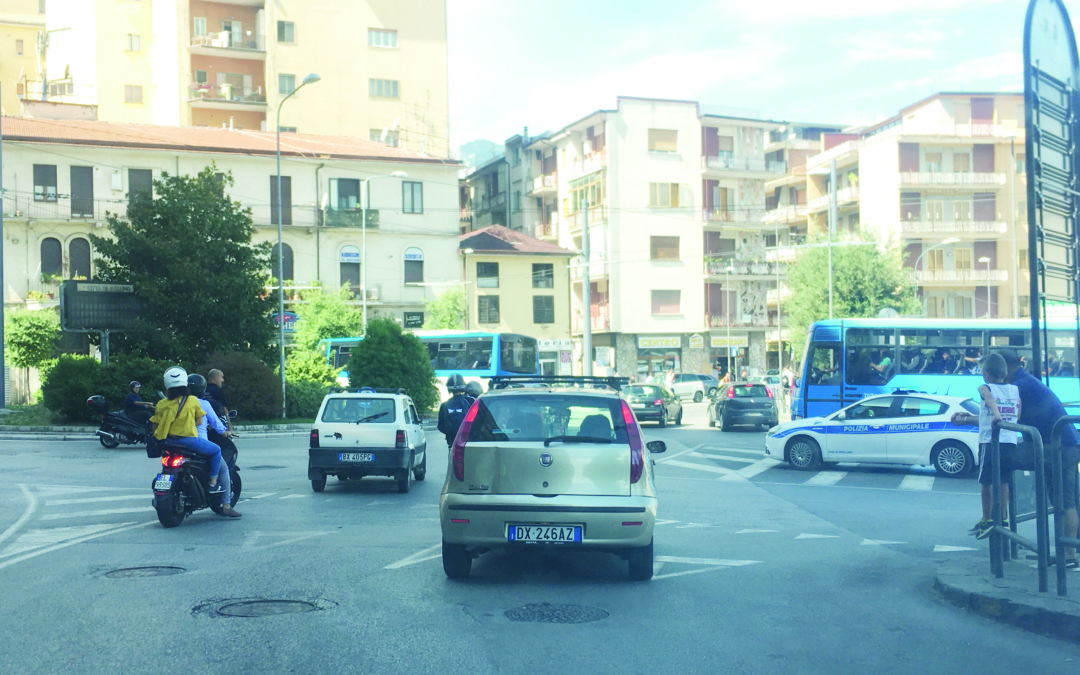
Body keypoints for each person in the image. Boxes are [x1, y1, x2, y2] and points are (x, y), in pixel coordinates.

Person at [1000, 348, 1080, 568]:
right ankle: (1067, 551)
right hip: (1064, 444)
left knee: (1066, 502)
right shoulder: (1025, 381)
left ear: (1005, 368)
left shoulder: (1018, 386)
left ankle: (1070, 557)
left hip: (1059, 447)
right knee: (1064, 501)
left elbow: (1006, 416)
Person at [950, 352, 1021, 539]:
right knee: (1004, 481)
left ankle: (987, 519)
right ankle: (1003, 517)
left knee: (985, 482)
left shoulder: (984, 387)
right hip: (1009, 441)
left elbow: (988, 399)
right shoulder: (1014, 389)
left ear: (987, 374)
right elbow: (1018, 410)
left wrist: (996, 415)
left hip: (990, 441)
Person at [150, 367, 224, 493]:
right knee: (216, 450)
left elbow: (155, 426)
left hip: (167, 442)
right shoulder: (193, 401)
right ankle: (213, 483)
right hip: (187, 442)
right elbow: (199, 421)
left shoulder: (161, 403)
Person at [187, 373, 241, 518]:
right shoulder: (203, 404)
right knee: (223, 468)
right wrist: (226, 432)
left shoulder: (177, 403)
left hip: (177, 443)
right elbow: (217, 424)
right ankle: (225, 503)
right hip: (198, 444)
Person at [438, 374, 473, 448]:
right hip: (467, 442)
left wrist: (450, 433)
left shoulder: (444, 405)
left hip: (452, 442)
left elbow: (440, 426)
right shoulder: (470, 401)